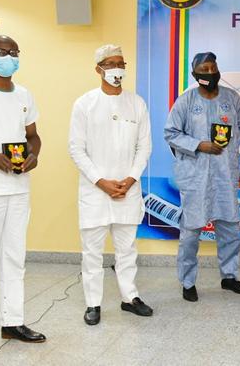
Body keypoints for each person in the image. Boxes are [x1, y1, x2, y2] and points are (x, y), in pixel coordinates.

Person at [0, 35, 45, 361]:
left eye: (13, 52)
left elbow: (33, 136)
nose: (8, 57)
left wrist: (34, 155)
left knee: (15, 257)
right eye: (1, 52)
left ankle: (12, 321)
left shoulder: (24, 94)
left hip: (18, 187)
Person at [68, 44, 154, 326]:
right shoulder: (84, 104)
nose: (117, 69)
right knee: (92, 251)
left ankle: (130, 297)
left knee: (127, 248)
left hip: (127, 190)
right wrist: (101, 182)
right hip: (95, 190)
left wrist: (129, 180)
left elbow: (144, 147)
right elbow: (76, 149)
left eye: (121, 63)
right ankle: (93, 303)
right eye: (110, 63)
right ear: (98, 69)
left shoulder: (136, 103)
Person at [164, 52, 240, 302]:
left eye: (213, 68)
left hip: (225, 174)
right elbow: (171, 133)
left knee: (230, 228)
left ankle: (229, 276)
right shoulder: (186, 101)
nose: (209, 73)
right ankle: (188, 281)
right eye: (204, 69)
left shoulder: (231, 98)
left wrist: (227, 147)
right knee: (191, 232)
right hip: (195, 175)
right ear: (195, 74)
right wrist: (199, 145)